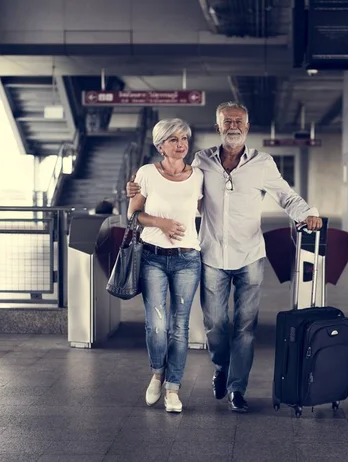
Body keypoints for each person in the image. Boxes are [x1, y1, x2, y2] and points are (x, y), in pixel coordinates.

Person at [127, 101, 321, 413]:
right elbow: (171, 179)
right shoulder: (202, 161)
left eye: (239, 121)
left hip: (250, 255)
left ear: (247, 126)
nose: (233, 125)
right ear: (218, 127)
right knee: (215, 324)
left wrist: (309, 213)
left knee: (245, 327)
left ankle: (237, 388)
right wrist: (137, 187)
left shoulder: (263, 163)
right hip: (211, 256)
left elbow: (287, 196)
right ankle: (222, 366)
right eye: (227, 121)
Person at [127, 118, 204, 413]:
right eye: (173, 139)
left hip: (187, 258)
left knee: (179, 327)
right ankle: (157, 372)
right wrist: (161, 222)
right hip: (153, 257)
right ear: (160, 145)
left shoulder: (198, 175)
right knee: (157, 325)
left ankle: (173, 387)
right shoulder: (147, 173)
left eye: (184, 137)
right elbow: (133, 214)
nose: (181, 143)